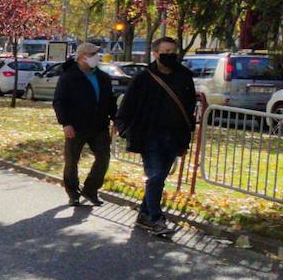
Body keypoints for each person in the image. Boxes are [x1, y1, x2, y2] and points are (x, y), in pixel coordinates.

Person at [115, 36, 197, 237]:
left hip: (174, 135)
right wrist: (123, 129)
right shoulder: (144, 77)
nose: (169, 55)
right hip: (149, 136)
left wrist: (187, 135)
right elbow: (128, 105)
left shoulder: (184, 76)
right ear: (155, 53)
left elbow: (189, 106)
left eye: (172, 52)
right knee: (156, 175)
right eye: (165, 52)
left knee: (158, 178)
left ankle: (144, 213)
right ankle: (156, 219)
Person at [52, 42, 116, 208]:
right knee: (72, 161)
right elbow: (59, 101)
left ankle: (90, 189)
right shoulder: (69, 77)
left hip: (99, 126)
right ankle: (73, 193)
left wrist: (116, 118)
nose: (96, 57)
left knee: (103, 158)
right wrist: (66, 123)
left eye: (97, 53)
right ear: (81, 57)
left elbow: (110, 100)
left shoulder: (103, 77)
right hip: (76, 126)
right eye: (92, 54)